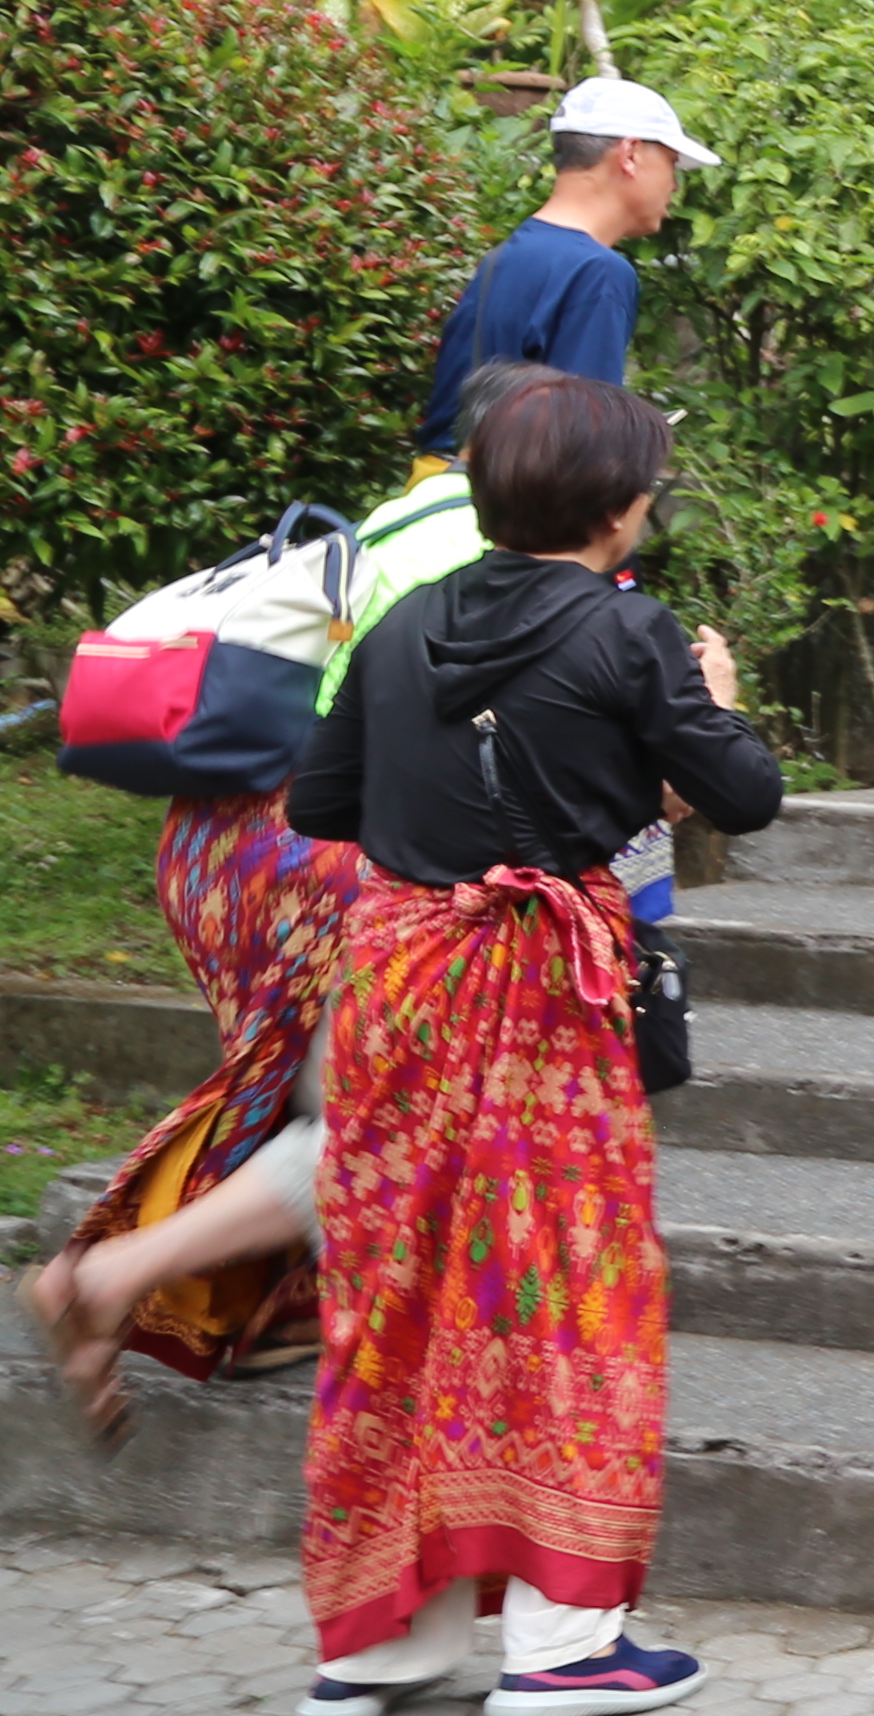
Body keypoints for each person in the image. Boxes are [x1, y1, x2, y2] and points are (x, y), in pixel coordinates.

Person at [283, 375, 781, 1712]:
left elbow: (326, 800)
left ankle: (382, 1639)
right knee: (560, 1289)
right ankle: (565, 1648)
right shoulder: (632, 637)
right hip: (543, 996)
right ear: (621, 509)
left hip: (397, 987)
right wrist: (706, 700)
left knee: (399, 1289)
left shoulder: (398, 627)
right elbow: (749, 793)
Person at [21, 369, 536, 1435]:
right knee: (386, 1107)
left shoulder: (399, 519)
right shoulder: (485, 553)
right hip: (315, 854)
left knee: (313, 1089)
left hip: (213, 850)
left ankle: (274, 1310)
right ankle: (115, 1274)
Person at [418, 79, 715, 447]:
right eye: (672, 163)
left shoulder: (511, 254)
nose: (674, 185)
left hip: (444, 487)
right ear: (630, 154)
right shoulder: (596, 271)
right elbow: (580, 447)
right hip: (511, 499)